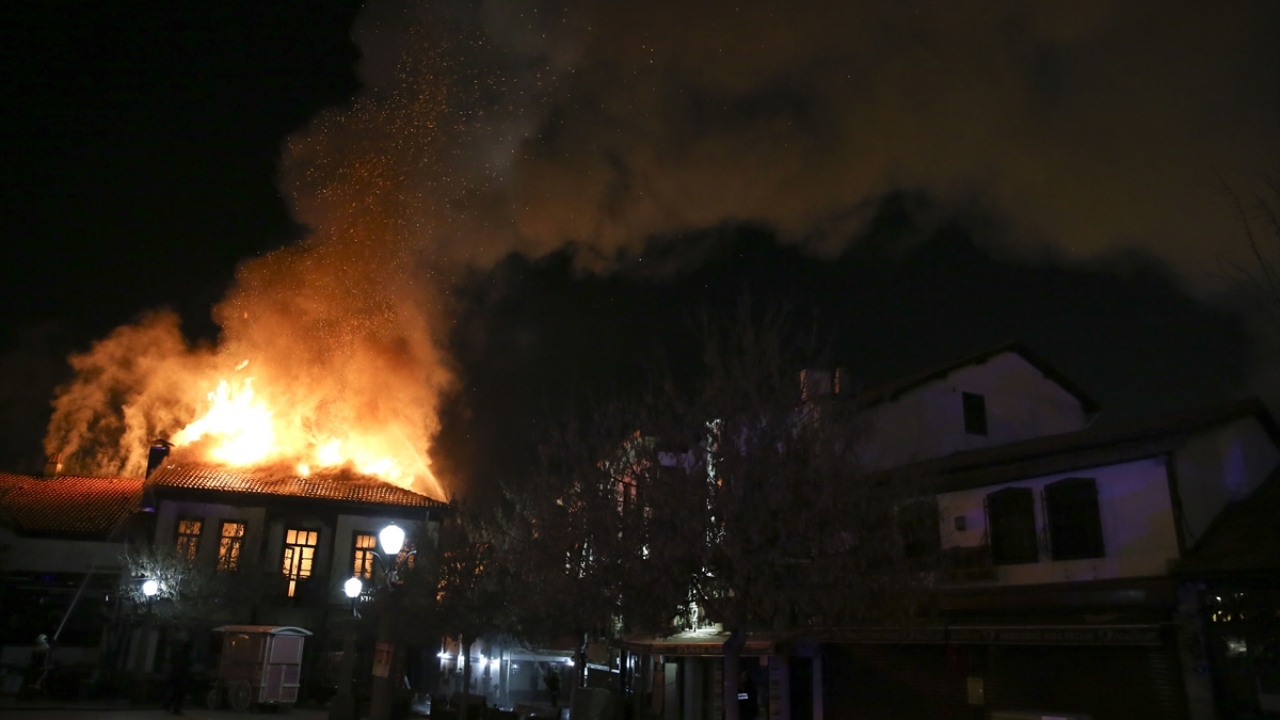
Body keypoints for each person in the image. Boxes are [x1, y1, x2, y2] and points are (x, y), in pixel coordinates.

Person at [164, 641, 193, 715]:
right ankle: (176, 709)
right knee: (181, 694)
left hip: (174, 674)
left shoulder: (176, 653)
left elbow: (171, 660)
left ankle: (168, 705)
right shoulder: (187, 655)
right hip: (182, 676)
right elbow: (189, 664)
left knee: (174, 692)